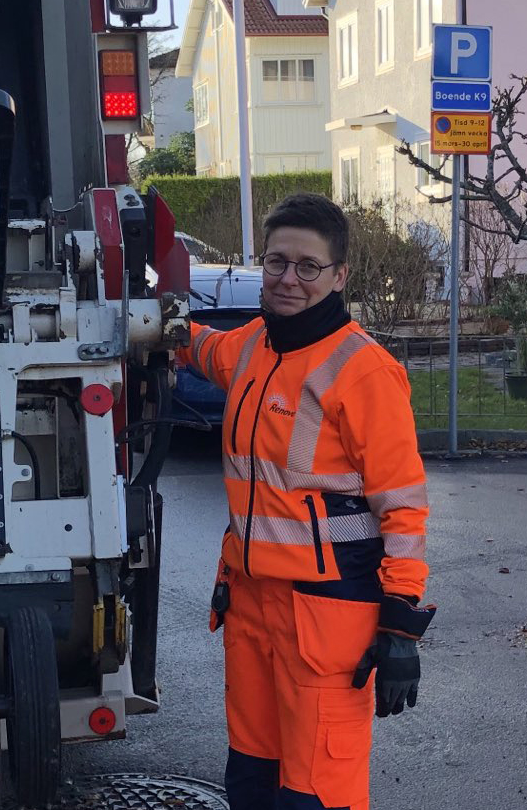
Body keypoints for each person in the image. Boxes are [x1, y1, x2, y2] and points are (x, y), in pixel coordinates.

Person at [179, 193, 434, 810]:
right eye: (276, 262)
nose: (288, 279)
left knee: (316, 793)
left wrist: (400, 623)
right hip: (251, 609)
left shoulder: (363, 370)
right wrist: (148, 315)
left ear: (339, 275)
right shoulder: (251, 348)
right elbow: (192, 343)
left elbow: (402, 507)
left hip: (327, 618)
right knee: (253, 780)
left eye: (307, 266)